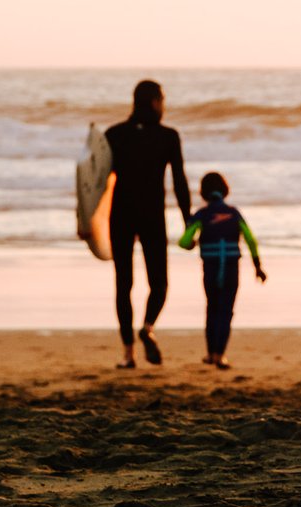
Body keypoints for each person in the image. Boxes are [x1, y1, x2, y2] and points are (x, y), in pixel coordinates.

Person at [104, 80, 192, 369]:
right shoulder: (168, 137)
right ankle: (148, 327)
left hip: (121, 216)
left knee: (123, 284)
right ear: (154, 102)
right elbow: (179, 181)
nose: (163, 106)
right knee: (159, 283)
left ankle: (128, 353)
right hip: (152, 216)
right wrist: (188, 220)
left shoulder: (114, 135)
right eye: (162, 100)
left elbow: (95, 184)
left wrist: (86, 221)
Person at [178, 171, 266, 369]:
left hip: (210, 269)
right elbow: (251, 240)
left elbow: (183, 241)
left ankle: (210, 354)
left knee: (212, 309)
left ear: (203, 193)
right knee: (226, 311)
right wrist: (258, 266)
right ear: (225, 191)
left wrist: (192, 243)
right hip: (231, 269)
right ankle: (220, 355)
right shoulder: (234, 213)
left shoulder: (201, 215)